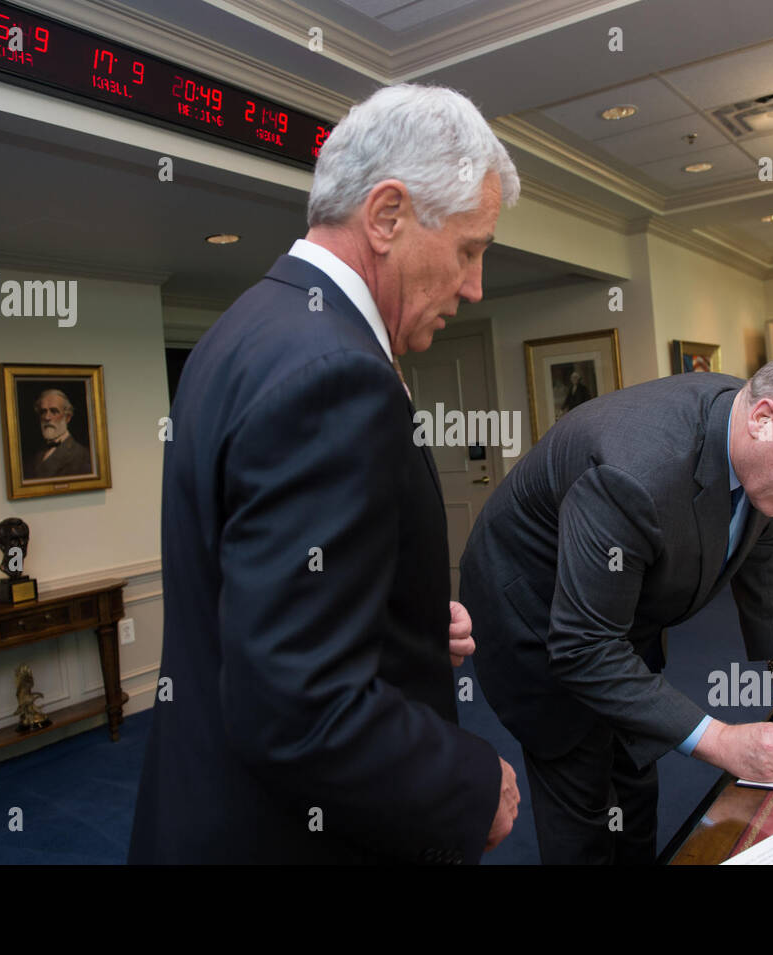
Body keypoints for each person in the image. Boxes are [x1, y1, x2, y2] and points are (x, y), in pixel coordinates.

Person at [128, 84, 521, 864]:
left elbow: (258, 600)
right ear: (387, 216)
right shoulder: (334, 372)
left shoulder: (241, 332)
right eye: (470, 249)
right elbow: (298, 706)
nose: (474, 286)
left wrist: (396, 618)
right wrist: (471, 780)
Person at [458, 348, 773, 864]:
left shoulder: (752, 429)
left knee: (635, 764)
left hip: (622, 610)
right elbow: (584, 647)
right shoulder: (634, 471)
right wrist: (720, 740)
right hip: (534, 618)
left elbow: (761, 536)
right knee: (581, 787)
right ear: (763, 419)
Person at [24, 389, 93, 479]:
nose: (47, 417)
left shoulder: (82, 456)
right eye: (43, 412)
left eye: (54, 411)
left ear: (67, 417)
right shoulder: (36, 455)